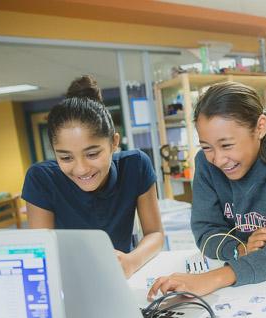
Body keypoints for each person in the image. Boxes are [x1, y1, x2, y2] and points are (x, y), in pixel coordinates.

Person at [149, 81, 266, 297]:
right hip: (244, 261)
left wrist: (212, 279)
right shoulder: (205, 162)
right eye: (206, 147)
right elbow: (205, 232)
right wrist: (239, 249)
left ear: (260, 127)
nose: (219, 159)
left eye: (227, 145)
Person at [22, 75, 164, 278]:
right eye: (65, 157)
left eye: (92, 154)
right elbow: (40, 255)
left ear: (114, 143)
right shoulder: (41, 179)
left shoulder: (136, 165)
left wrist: (131, 261)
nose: (81, 169)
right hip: (69, 280)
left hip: (121, 276)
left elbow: (155, 233)